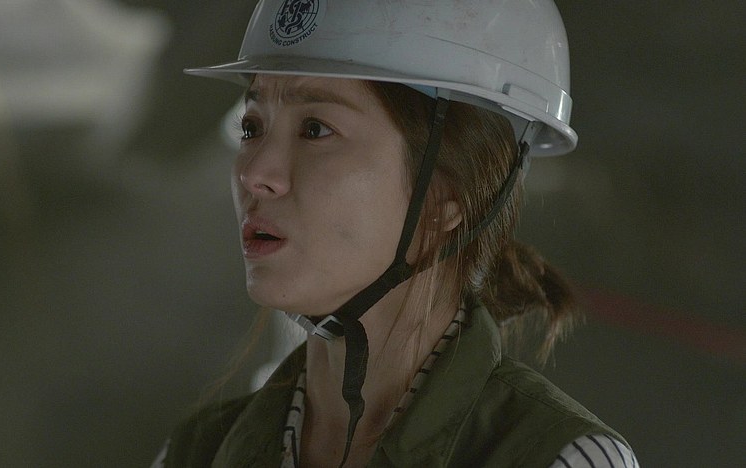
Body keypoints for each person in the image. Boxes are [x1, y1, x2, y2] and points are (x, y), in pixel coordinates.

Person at [154, 1, 638, 466]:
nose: (254, 172)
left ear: (448, 196)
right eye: (251, 127)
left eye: (316, 129)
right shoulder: (195, 452)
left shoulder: (558, 459)